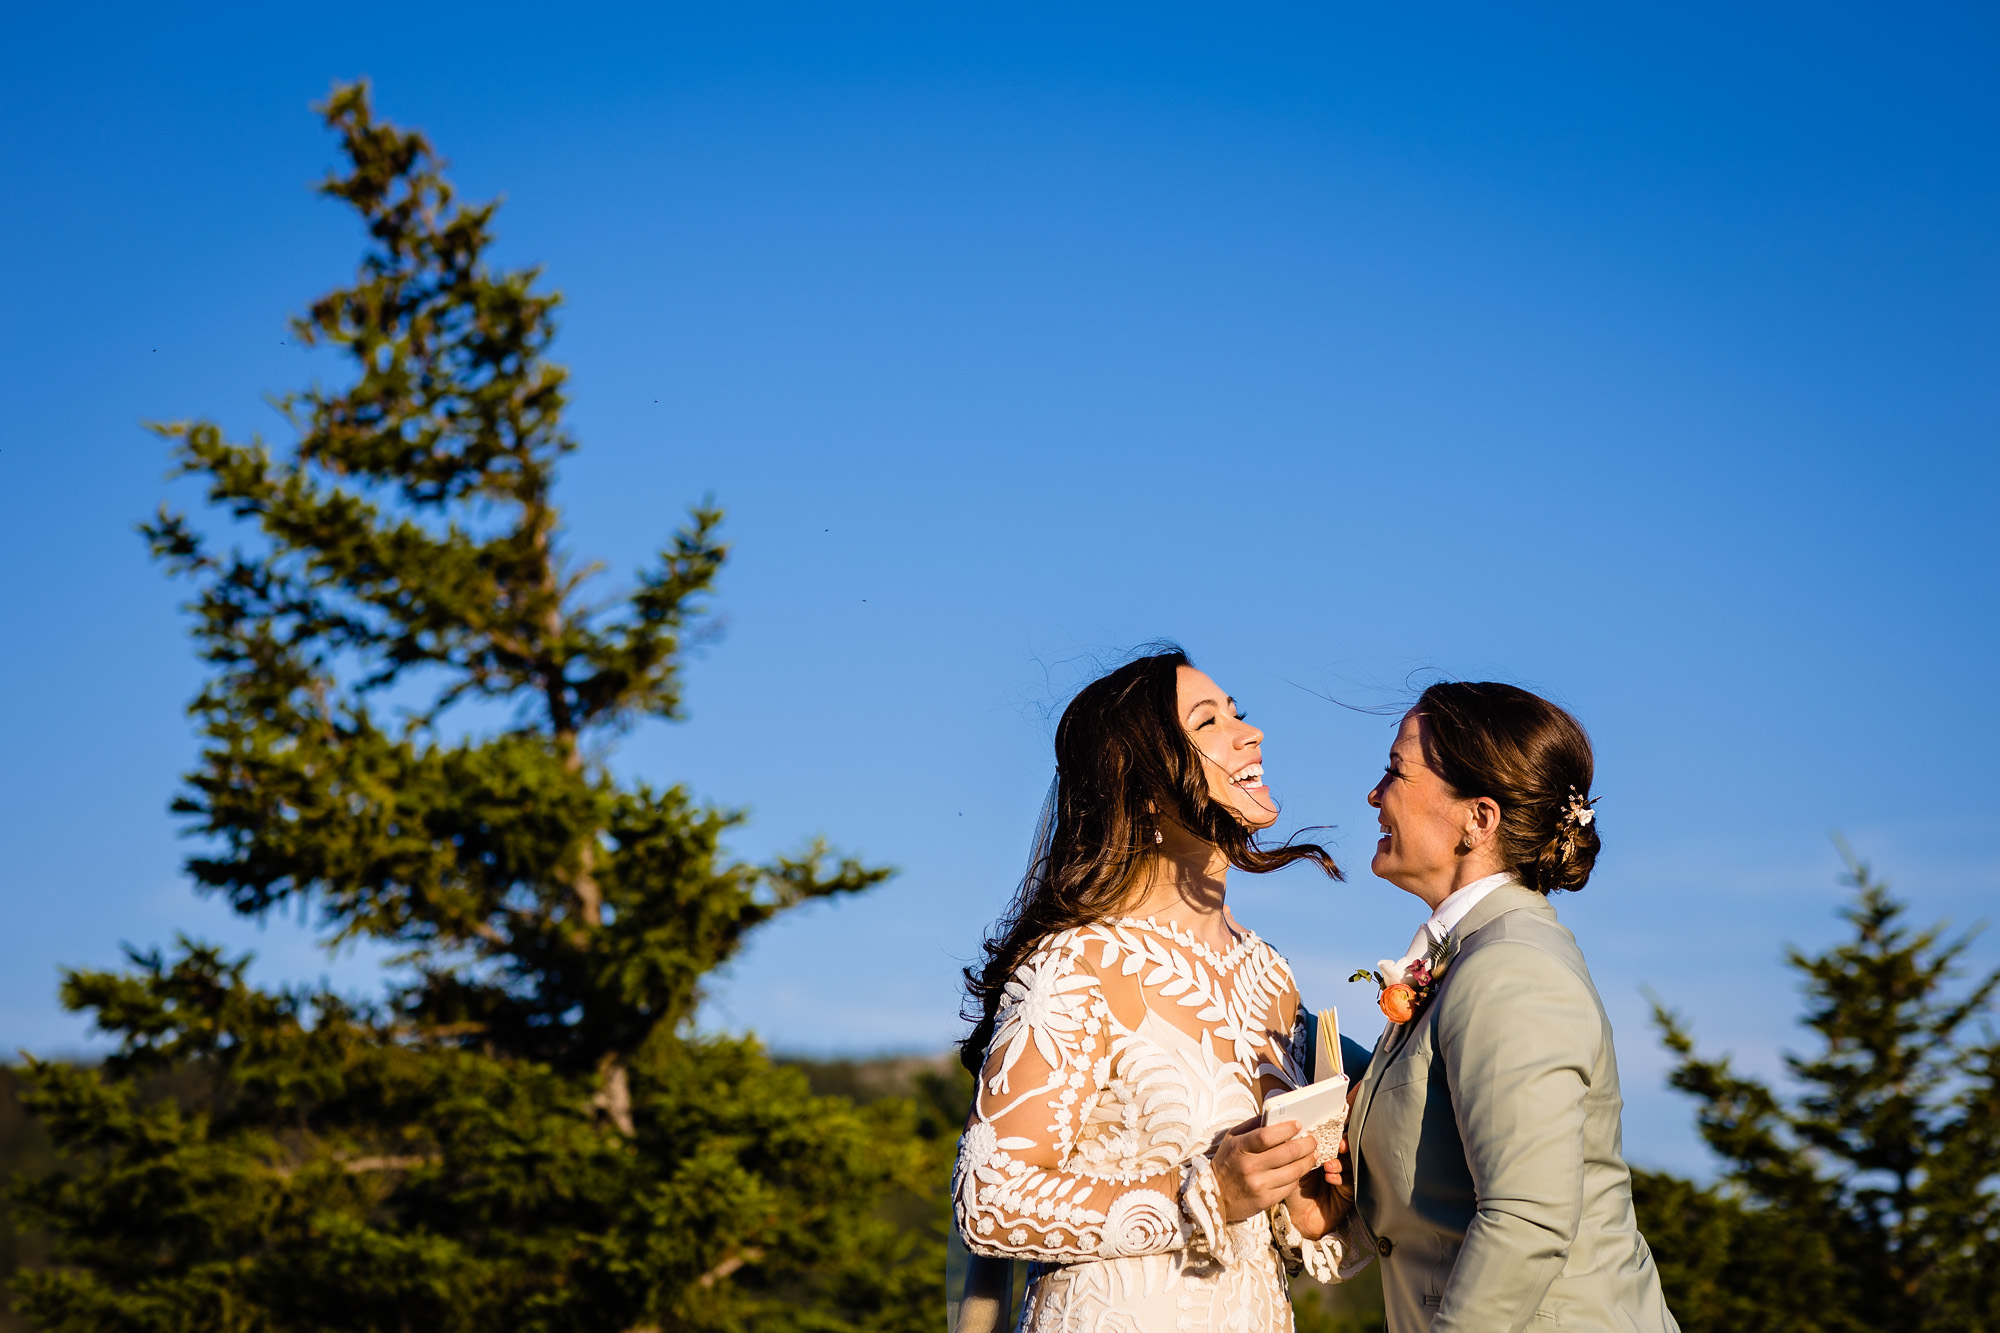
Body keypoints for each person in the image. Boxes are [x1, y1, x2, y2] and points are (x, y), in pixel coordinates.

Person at [951, 648, 1368, 1333]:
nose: (1249, 732)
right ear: (1141, 782)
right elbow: (988, 1198)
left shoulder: (1273, 978)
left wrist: (1310, 1205)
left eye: (1239, 713)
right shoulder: (1079, 960)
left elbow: (1260, 1226)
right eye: (1208, 722)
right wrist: (1203, 1191)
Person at [1331, 682, 1679, 1332]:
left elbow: (1526, 1219)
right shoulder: (1469, 957)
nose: (1375, 795)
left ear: (1478, 818)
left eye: (1395, 771)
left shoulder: (1511, 969)